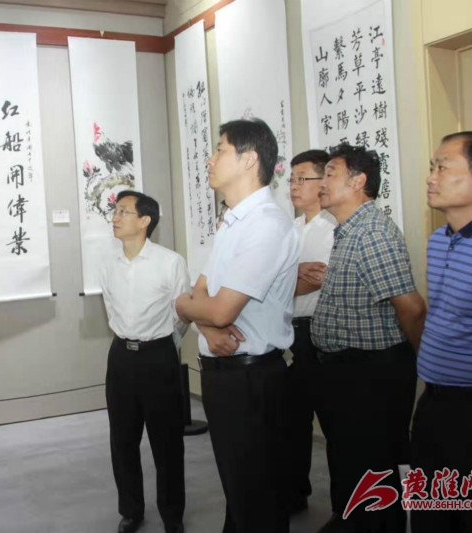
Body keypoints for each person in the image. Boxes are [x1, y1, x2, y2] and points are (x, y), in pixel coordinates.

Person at [176, 119, 299, 533]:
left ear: (249, 160)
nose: (210, 160)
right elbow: (198, 293)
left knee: (256, 500)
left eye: (220, 150)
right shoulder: (233, 219)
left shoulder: (266, 223)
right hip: (225, 372)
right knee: (240, 494)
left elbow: (218, 308)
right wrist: (207, 326)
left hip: (250, 380)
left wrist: (198, 312)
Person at [310, 144, 425, 533]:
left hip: (371, 374)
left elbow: (411, 308)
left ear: (358, 181)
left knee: (373, 466)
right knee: (350, 461)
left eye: (330, 173)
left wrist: (424, 363)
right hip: (346, 372)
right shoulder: (350, 230)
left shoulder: (372, 233)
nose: (322, 182)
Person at [411, 131, 472, 532]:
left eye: (442, 167)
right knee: (431, 514)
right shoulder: (439, 241)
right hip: (434, 402)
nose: (431, 177)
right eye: (431, 167)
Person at [99, 190, 188, 533]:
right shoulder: (108, 264)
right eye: (115, 211)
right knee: (122, 440)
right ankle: (131, 510)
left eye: (123, 211)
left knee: (167, 443)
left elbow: (182, 314)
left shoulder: (170, 262)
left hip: (158, 358)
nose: (115, 217)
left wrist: (165, 346)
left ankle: (172, 515)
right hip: (121, 357)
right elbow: (110, 308)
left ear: (145, 220)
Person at [284, 149, 336, 515]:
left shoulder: (333, 228)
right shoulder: (290, 229)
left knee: (335, 424)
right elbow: (280, 282)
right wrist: (294, 277)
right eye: (291, 179)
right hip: (291, 334)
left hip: (323, 334)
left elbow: (321, 280)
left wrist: (289, 280)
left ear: (324, 181)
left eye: (302, 178)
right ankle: (295, 493)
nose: (293, 186)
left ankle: (344, 505)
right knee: (292, 421)